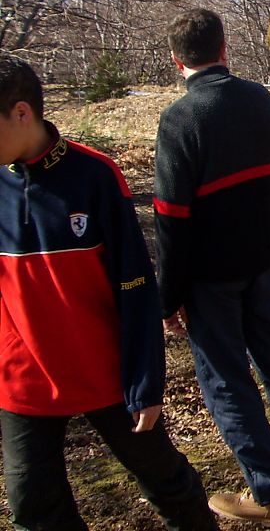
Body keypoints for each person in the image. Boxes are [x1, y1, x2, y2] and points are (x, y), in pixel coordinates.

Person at [0, 53, 219, 531]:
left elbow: (135, 286)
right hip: (22, 379)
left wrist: (145, 381)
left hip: (105, 372)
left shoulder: (93, 175)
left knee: (167, 483)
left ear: (21, 112)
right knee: (32, 506)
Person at [154, 9, 270, 528]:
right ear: (224, 48)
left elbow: (171, 220)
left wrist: (168, 298)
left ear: (177, 61)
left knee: (227, 381)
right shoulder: (260, 99)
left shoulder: (180, 119)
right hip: (266, 262)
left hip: (211, 278)